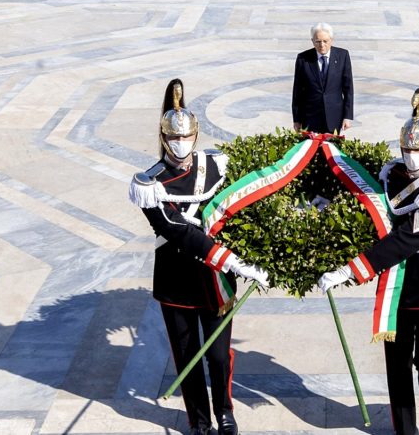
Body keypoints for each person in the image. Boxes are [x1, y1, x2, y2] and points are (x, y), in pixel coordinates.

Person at [318, 88, 419, 435]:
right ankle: (404, 430)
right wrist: (328, 205)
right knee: (396, 368)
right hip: (398, 291)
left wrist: (348, 271)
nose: (412, 156)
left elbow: (401, 241)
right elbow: (372, 205)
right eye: (407, 149)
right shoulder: (392, 175)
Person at [129, 79, 269, 435]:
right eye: (174, 139)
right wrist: (233, 261)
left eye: (187, 137)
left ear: (196, 135)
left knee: (219, 356)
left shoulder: (216, 166)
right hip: (177, 282)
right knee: (188, 358)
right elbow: (179, 231)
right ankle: (200, 420)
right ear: (164, 139)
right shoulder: (150, 183)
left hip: (213, 281)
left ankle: (224, 410)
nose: (181, 144)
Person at [292, 22, 354, 134]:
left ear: (331, 40)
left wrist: (347, 116)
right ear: (312, 41)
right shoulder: (303, 59)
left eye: (325, 41)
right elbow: (297, 92)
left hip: (334, 116)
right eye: (318, 41)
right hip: (310, 117)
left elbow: (348, 89)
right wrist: (297, 119)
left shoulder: (342, 56)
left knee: (331, 150)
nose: (322, 45)